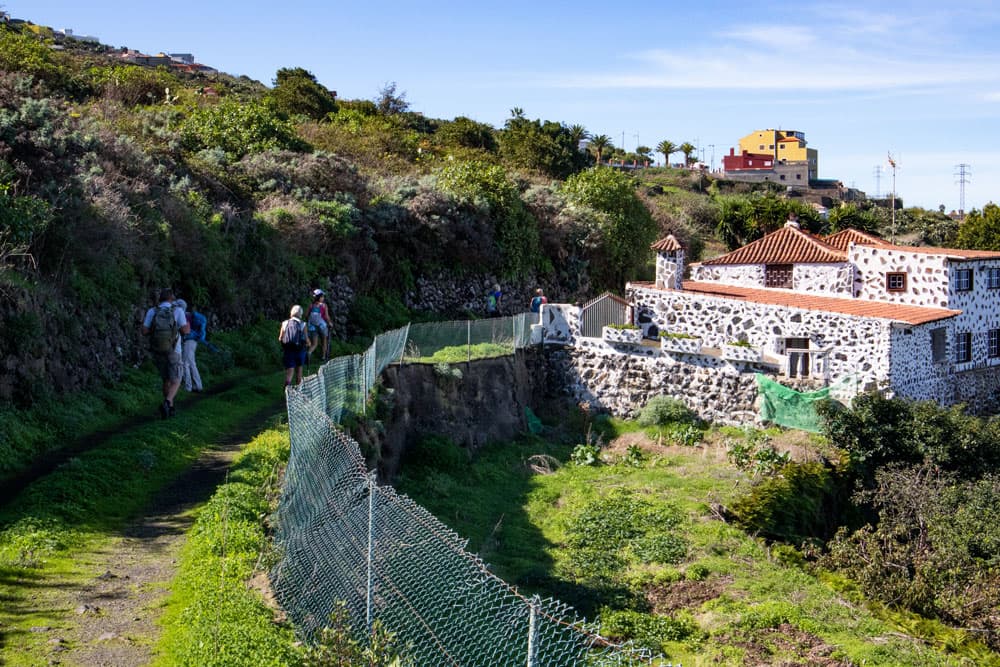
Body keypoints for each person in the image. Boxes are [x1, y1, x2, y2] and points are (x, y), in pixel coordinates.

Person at [142, 288, 190, 419]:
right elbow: (185, 331)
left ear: (160, 299)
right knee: (177, 380)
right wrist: (187, 325)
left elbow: (144, 331)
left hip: (158, 350)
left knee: (166, 379)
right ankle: (167, 402)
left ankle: (170, 409)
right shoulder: (178, 310)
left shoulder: (152, 311)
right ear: (172, 299)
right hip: (174, 350)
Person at [279, 304, 308, 388]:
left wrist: (285, 345)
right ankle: (298, 391)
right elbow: (306, 339)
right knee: (299, 372)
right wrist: (309, 344)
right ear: (300, 314)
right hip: (300, 351)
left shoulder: (285, 323)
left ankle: (286, 390)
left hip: (288, 351)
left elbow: (280, 338)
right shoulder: (303, 324)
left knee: (289, 372)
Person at [180, 301, 206, 393]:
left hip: (189, 340)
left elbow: (186, 331)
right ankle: (198, 386)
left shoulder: (185, 316)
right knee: (191, 363)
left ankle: (188, 387)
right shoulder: (189, 315)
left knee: (184, 363)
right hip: (193, 340)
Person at [307, 289, 334, 362]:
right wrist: (330, 323)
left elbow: (307, 315)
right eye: (322, 296)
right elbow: (326, 316)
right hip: (322, 326)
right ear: (319, 297)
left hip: (312, 327)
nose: (323, 298)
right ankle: (323, 357)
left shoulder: (311, 305)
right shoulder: (324, 305)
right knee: (324, 341)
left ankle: (309, 353)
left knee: (314, 343)